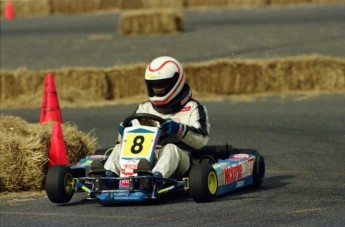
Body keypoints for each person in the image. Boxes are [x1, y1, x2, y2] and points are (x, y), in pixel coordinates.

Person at [104, 56, 210, 181]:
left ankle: (154, 179)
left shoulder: (193, 107)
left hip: (180, 159)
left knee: (171, 148)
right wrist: (124, 134)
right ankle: (108, 177)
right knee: (119, 148)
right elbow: (130, 143)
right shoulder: (144, 108)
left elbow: (202, 140)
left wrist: (180, 130)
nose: (157, 90)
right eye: (153, 86)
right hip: (146, 157)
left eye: (161, 85)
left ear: (176, 82)